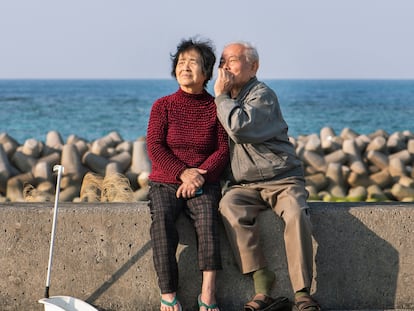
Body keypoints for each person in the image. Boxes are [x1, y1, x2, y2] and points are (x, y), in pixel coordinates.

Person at [213, 41, 320, 311]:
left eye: (233, 60)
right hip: (245, 185)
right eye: (222, 61)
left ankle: (302, 292)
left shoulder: (263, 95)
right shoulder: (225, 100)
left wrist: (221, 98)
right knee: (228, 206)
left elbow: (239, 127)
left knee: (296, 214)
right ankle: (262, 284)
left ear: (254, 66)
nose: (225, 66)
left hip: (283, 179)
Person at [146, 37, 229, 311]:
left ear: (206, 72)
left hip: (204, 182)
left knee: (208, 221)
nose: (185, 67)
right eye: (181, 62)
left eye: (192, 62)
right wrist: (183, 173)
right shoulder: (163, 105)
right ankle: (168, 294)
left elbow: (223, 148)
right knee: (162, 225)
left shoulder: (215, 107)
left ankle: (208, 295)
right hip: (166, 182)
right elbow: (155, 146)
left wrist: (200, 176)